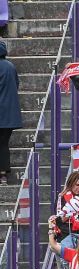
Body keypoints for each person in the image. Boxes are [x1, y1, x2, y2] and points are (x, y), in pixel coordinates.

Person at [0, 41, 22, 186]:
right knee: (3, 143)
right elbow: (17, 84)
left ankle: (3, 173)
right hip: (9, 115)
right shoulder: (10, 66)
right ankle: (4, 173)